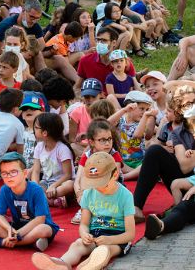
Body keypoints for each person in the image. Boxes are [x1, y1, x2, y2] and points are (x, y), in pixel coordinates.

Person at [32, 152, 135, 270]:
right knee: (77, 244)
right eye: (95, 183)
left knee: (105, 250)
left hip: (117, 238)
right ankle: (61, 263)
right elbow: (84, 224)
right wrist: (84, 234)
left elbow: (130, 234)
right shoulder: (88, 193)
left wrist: (110, 239)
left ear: (115, 175)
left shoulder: (125, 195)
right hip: (95, 234)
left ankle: (90, 265)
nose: (99, 188)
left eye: (102, 183)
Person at [133, 85, 195, 220]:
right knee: (154, 151)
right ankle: (136, 206)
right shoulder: (178, 132)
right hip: (185, 181)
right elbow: (185, 167)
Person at [0, 151, 57, 251]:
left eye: (13, 172)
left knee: (43, 230)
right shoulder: (5, 189)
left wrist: (18, 234)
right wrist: (9, 229)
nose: (9, 176)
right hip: (17, 226)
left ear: (24, 173)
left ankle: (2, 242)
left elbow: (40, 219)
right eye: (4, 173)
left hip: (37, 225)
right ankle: (29, 242)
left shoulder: (36, 190)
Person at [30, 113, 75, 209]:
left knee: (69, 185)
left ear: (45, 133)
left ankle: (45, 200)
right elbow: (36, 171)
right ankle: (54, 201)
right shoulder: (39, 147)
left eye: (36, 128)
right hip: (46, 183)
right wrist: (35, 187)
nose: (34, 130)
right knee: (31, 188)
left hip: (61, 184)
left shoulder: (62, 149)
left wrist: (54, 186)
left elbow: (68, 175)